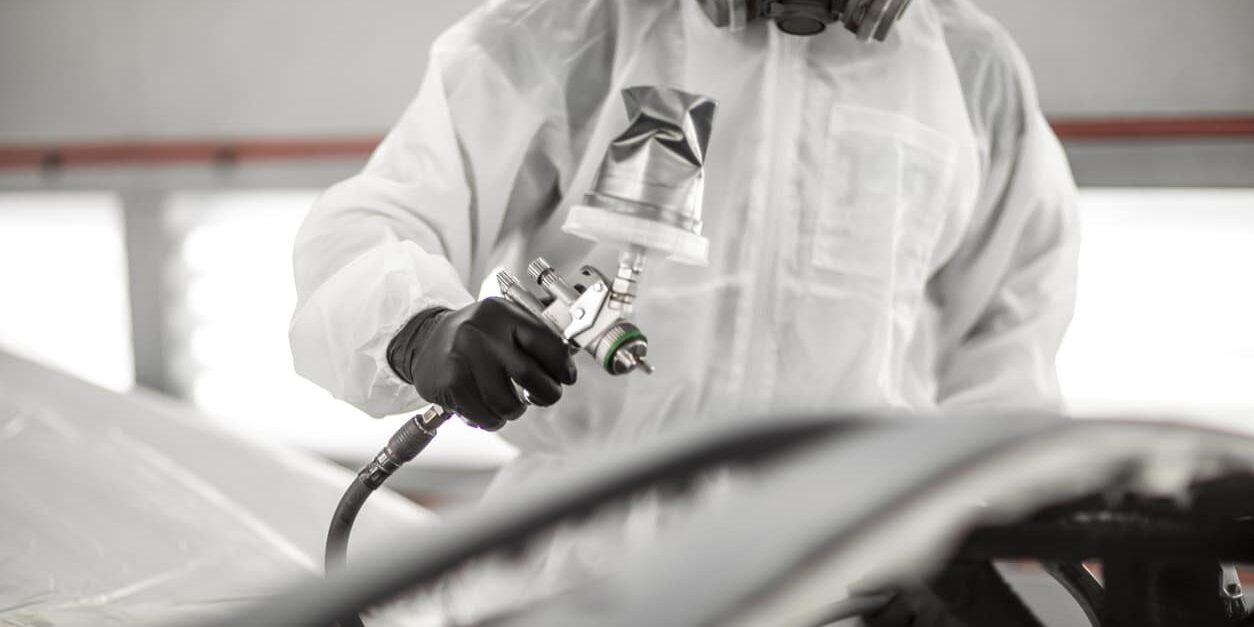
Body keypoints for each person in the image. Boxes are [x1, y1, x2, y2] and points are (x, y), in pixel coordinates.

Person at [290, 0, 1079, 620]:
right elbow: (370, 224)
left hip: (861, 593)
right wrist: (423, 328)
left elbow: (1005, 362)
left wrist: (965, 539)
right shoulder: (571, 31)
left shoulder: (970, 73)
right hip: (584, 588)